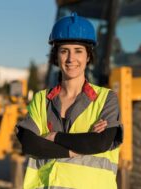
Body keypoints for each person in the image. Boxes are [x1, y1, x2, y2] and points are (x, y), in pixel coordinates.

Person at [16, 12, 123, 189]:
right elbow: (29, 143)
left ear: (88, 56)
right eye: (64, 51)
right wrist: (72, 150)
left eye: (78, 51)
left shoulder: (106, 99)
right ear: (56, 56)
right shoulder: (42, 99)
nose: (71, 58)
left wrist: (54, 137)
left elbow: (100, 142)